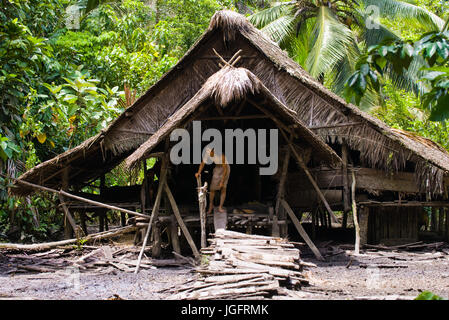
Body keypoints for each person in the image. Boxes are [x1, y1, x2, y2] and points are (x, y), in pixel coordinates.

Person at [195, 147, 230, 214]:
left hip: (225, 169)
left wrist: (222, 181)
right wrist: (198, 172)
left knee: (223, 188)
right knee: (212, 188)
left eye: (209, 151)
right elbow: (202, 163)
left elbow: (225, 169)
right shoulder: (207, 154)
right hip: (217, 168)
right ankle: (211, 206)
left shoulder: (221, 156)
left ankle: (220, 206)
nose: (208, 153)